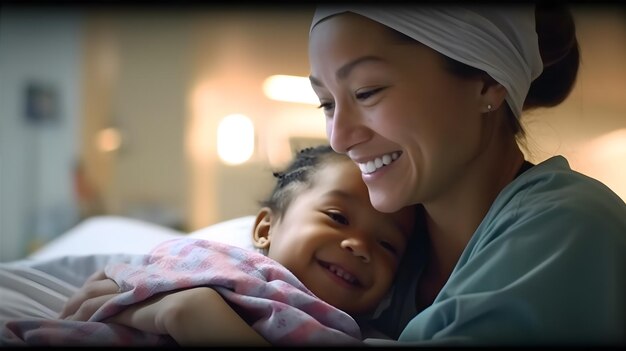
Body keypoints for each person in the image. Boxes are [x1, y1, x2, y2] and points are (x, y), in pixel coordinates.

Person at [306, 3, 626, 347]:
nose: (338, 139)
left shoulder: (572, 227)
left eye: (366, 92)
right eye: (327, 104)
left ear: (487, 83)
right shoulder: (387, 256)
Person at [55, 145, 415, 346]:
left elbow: (186, 310)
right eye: (337, 217)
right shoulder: (217, 261)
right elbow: (126, 280)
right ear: (265, 228)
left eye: (387, 245)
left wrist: (195, 315)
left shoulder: (355, 335)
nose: (359, 245)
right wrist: (136, 300)